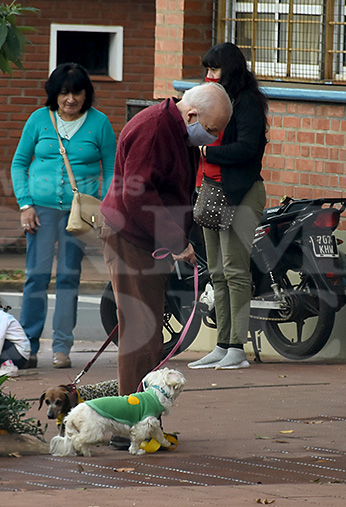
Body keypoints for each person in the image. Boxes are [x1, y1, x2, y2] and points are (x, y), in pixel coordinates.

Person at [100, 81, 233, 397]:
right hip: (130, 236)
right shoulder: (157, 128)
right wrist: (176, 241)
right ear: (191, 115)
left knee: (147, 333)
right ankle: (131, 416)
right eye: (211, 129)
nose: (212, 138)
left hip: (142, 236)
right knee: (141, 333)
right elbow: (137, 195)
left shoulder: (173, 126)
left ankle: (142, 410)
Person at [11, 63, 116, 369]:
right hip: (40, 212)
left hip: (79, 216)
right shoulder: (39, 120)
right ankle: (27, 346)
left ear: (87, 94)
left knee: (69, 278)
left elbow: (111, 169)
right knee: (36, 278)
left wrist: (106, 208)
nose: (71, 99)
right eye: (64, 92)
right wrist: (25, 204)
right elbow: (19, 163)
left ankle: (61, 348)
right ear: (54, 94)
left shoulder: (100, 124)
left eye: (77, 92)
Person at [187, 43, 269, 371]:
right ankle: (222, 344)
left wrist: (208, 154)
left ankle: (237, 346)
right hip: (211, 191)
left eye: (215, 69)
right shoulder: (212, 100)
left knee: (235, 271)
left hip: (241, 193)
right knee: (217, 272)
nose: (208, 75)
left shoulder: (246, 102)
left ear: (230, 70)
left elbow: (249, 148)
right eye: (207, 69)